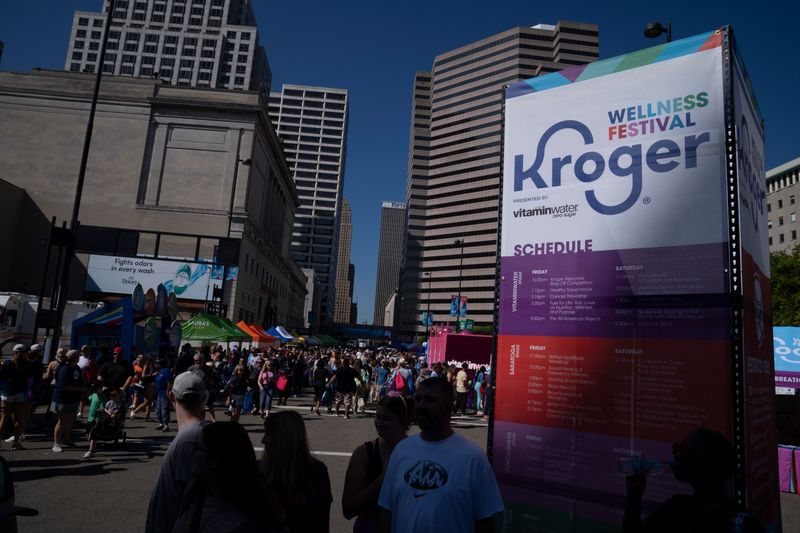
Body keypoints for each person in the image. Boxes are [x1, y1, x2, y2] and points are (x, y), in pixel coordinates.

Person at [378, 377, 504, 533]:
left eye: (430, 400)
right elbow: (387, 509)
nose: (421, 406)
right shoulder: (401, 450)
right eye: (418, 399)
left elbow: (485, 520)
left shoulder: (473, 458)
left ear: (449, 408)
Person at [623, 427, 765, 533]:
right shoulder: (677, 506)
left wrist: (634, 498)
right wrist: (634, 496)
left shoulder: (739, 524)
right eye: (677, 450)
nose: (677, 457)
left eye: (683, 452)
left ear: (707, 464)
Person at [173, 422, 266, 532]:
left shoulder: (238, 524)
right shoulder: (196, 491)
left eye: (198, 447)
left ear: (215, 460)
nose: (190, 452)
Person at [145, 371, 208, 533]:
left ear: (171, 396)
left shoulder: (191, 438)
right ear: (204, 398)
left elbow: (190, 501)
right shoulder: (194, 434)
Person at [343, 394, 414, 533]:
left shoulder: (417, 453)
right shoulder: (364, 453)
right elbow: (348, 509)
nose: (380, 423)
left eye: (387, 418)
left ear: (404, 422)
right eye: (378, 417)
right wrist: (384, 479)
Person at [261, 410, 332, 532]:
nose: (263, 440)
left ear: (286, 439)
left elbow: (322, 522)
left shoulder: (317, 473)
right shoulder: (259, 471)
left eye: (269, 434)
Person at [0, 345, 33, 450]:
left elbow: (1, 377)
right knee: (18, 419)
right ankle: (16, 443)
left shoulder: (7, 363)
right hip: (20, 393)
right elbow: (30, 377)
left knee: (4, 418)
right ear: (23, 353)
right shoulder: (27, 364)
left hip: (7, 393)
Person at [84, 384, 113, 459]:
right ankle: (92, 447)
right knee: (87, 434)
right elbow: (88, 398)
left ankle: (91, 451)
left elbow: (103, 407)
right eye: (94, 390)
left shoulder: (103, 398)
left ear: (100, 389)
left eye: (96, 389)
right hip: (90, 418)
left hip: (98, 419)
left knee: (93, 434)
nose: (95, 391)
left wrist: (101, 410)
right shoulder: (94, 395)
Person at [154, 357, 172, 431]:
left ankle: (166, 425)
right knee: (158, 409)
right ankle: (161, 423)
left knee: (164, 409)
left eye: (158, 363)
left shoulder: (166, 370)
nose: (156, 364)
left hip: (164, 393)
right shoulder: (160, 371)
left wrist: (168, 391)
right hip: (159, 393)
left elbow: (169, 381)